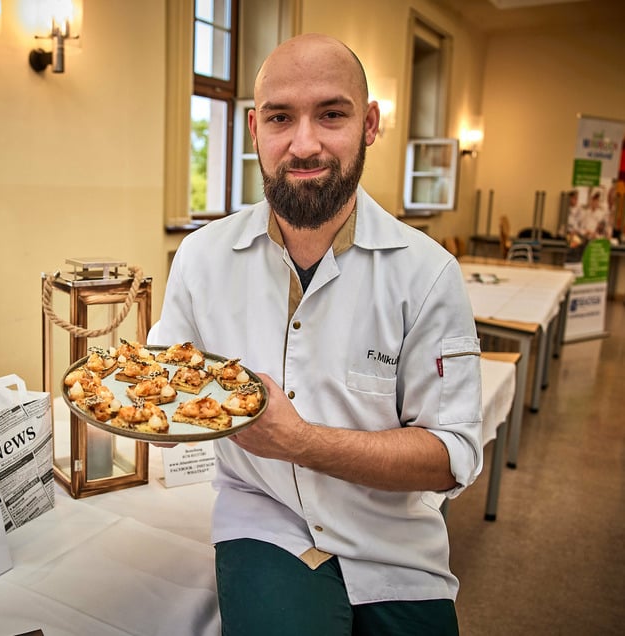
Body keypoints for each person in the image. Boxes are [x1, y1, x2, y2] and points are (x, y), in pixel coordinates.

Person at [148, 34, 482, 635]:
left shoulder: (428, 274)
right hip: (264, 517)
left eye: (331, 114)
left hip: (393, 541)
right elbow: (160, 390)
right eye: (281, 118)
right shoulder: (200, 259)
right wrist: (152, 415)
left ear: (369, 123)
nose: (304, 144)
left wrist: (300, 440)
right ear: (254, 130)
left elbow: (451, 456)